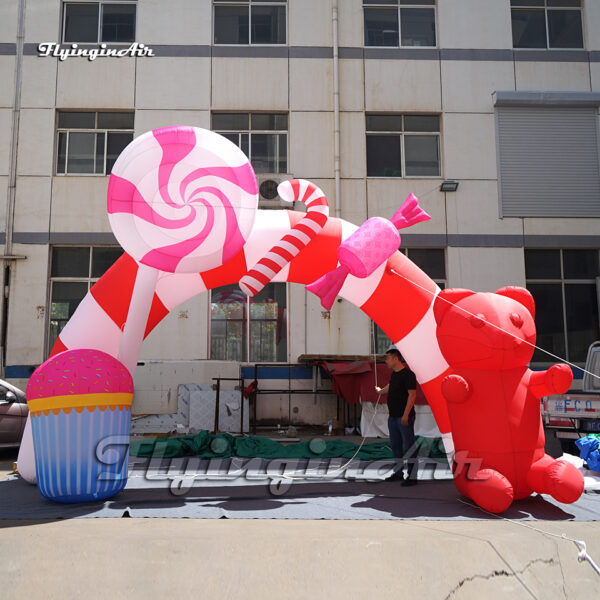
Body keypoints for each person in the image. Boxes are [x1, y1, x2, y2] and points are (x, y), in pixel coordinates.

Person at [375, 349, 418, 485]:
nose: (386, 361)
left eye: (387, 358)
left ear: (395, 359)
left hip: (403, 417)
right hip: (393, 417)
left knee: (408, 445)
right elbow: (391, 385)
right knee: (396, 446)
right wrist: (381, 391)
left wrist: (406, 415)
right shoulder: (395, 374)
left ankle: (412, 476)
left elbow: (412, 395)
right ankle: (398, 472)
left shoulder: (408, 375)